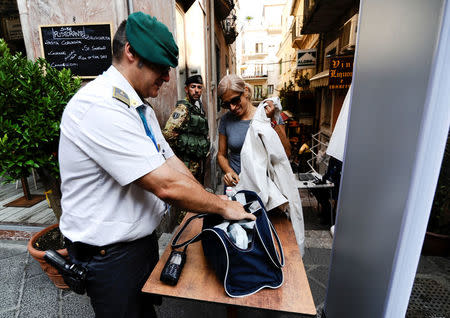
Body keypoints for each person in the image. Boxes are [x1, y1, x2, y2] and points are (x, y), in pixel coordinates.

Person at [58, 12, 254, 318]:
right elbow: (166, 184)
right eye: (160, 68)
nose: (166, 77)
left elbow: (172, 163)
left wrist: (205, 198)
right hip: (109, 258)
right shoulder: (98, 106)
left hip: (138, 248)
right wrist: (221, 206)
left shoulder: (140, 109)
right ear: (130, 52)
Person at [217, 74, 291, 188]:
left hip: (265, 187)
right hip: (237, 186)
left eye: (235, 100)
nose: (232, 107)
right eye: (226, 104)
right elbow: (221, 154)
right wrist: (229, 171)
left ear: (245, 91)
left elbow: (286, 152)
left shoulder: (267, 115)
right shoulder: (226, 120)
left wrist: (271, 120)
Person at [163, 75, 209, 182]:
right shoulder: (183, 108)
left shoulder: (196, 109)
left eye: (199, 87)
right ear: (186, 89)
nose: (197, 91)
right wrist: (179, 152)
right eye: (193, 87)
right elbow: (168, 133)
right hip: (184, 164)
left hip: (195, 164)